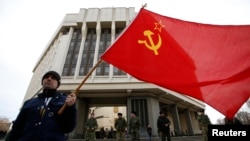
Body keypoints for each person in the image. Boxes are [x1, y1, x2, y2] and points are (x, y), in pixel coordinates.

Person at [5, 70, 77, 141]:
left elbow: (68, 128)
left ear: (58, 84)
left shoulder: (65, 101)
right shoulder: (29, 103)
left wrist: (70, 107)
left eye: (53, 78)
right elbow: (17, 127)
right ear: (42, 82)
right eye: (46, 77)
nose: (49, 79)